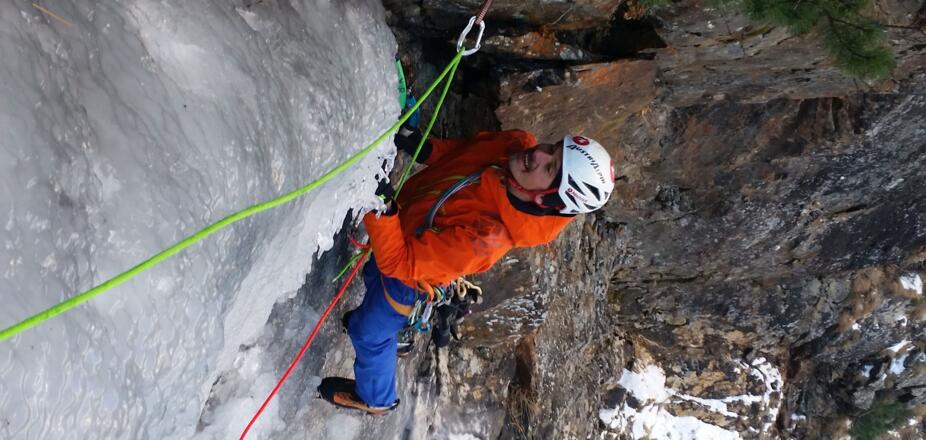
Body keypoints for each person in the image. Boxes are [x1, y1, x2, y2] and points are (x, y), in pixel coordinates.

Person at [327, 118, 615, 414]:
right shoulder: (515, 144)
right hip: (401, 230)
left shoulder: (484, 239)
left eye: (550, 168)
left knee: (369, 333)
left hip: (408, 276)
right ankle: (395, 334)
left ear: (546, 200)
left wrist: (383, 209)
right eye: (553, 148)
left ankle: (376, 399)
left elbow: (399, 263)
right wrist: (425, 148)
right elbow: (461, 153)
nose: (539, 154)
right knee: (372, 274)